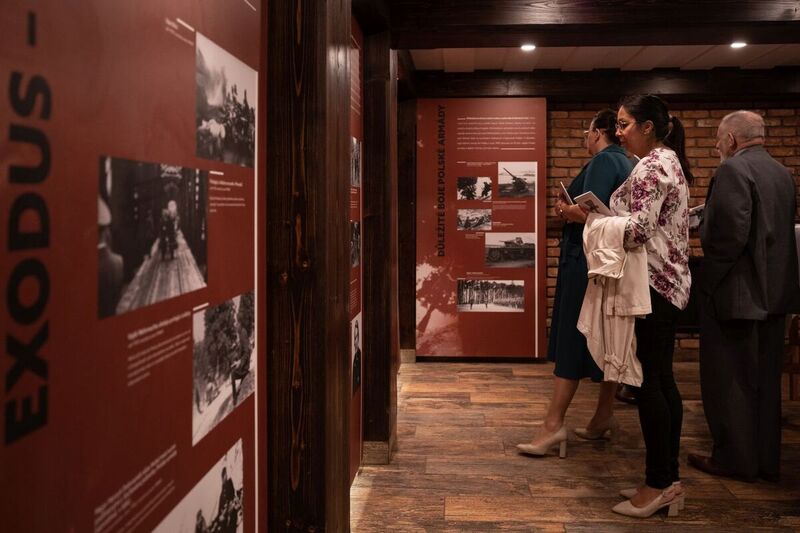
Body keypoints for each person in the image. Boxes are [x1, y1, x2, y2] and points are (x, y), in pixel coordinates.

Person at [688, 111, 800, 483]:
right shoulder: (782, 174)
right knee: (766, 384)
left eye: (719, 140)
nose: (718, 146)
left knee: (730, 382)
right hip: (776, 295)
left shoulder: (733, 171)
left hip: (737, 296)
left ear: (732, 140)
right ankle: (765, 460)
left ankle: (735, 459)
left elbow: (728, 236)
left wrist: (707, 280)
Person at [517, 109, 632, 458]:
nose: (585, 138)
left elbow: (589, 215)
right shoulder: (627, 163)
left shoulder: (603, 161)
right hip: (611, 263)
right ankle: (602, 416)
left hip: (585, 263)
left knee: (572, 336)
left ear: (598, 132)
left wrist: (565, 211)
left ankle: (553, 426)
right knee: (610, 341)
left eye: (587, 131)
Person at [608, 95, 692, 518]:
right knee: (661, 380)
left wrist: (590, 219)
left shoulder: (651, 165)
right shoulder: (670, 160)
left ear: (647, 127)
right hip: (669, 284)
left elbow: (638, 231)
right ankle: (665, 479)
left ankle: (659, 484)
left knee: (649, 385)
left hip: (653, 287)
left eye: (624, 124)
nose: (618, 131)